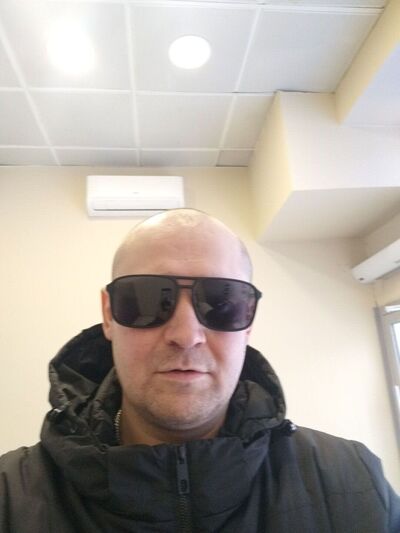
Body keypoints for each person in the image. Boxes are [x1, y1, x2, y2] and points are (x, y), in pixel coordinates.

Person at [0, 208, 399, 533]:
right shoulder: (9, 499)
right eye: (147, 298)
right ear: (108, 314)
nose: (186, 335)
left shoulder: (353, 479)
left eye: (221, 302)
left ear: (249, 319)